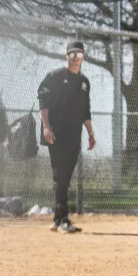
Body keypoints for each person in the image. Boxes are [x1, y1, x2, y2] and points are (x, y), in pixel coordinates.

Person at [38, 40, 95, 234]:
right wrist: (46, 127)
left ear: (83, 57)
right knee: (60, 176)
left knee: (65, 178)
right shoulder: (54, 76)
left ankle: (57, 219)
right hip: (56, 133)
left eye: (79, 54)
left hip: (74, 135)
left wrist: (90, 133)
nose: (75, 57)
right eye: (72, 54)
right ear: (66, 56)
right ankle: (63, 220)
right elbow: (43, 102)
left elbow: (86, 110)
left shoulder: (84, 82)